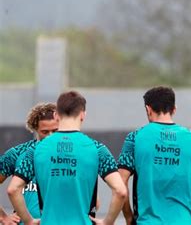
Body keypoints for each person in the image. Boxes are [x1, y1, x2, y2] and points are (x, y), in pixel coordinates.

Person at [7, 91, 126, 225]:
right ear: (83, 115)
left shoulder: (35, 150)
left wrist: (28, 221)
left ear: (56, 115)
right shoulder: (97, 149)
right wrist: (107, 222)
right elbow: (120, 191)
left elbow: (13, 189)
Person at [117, 86, 191, 225]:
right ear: (174, 109)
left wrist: (129, 217)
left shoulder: (135, 138)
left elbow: (121, 183)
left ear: (148, 109)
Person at [0, 103, 58, 225]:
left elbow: (94, 200)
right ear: (35, 129)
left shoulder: (72, 156)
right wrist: (3, 217)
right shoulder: (18, 153)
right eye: (45, 132)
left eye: (55, 131)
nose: (50, 136)